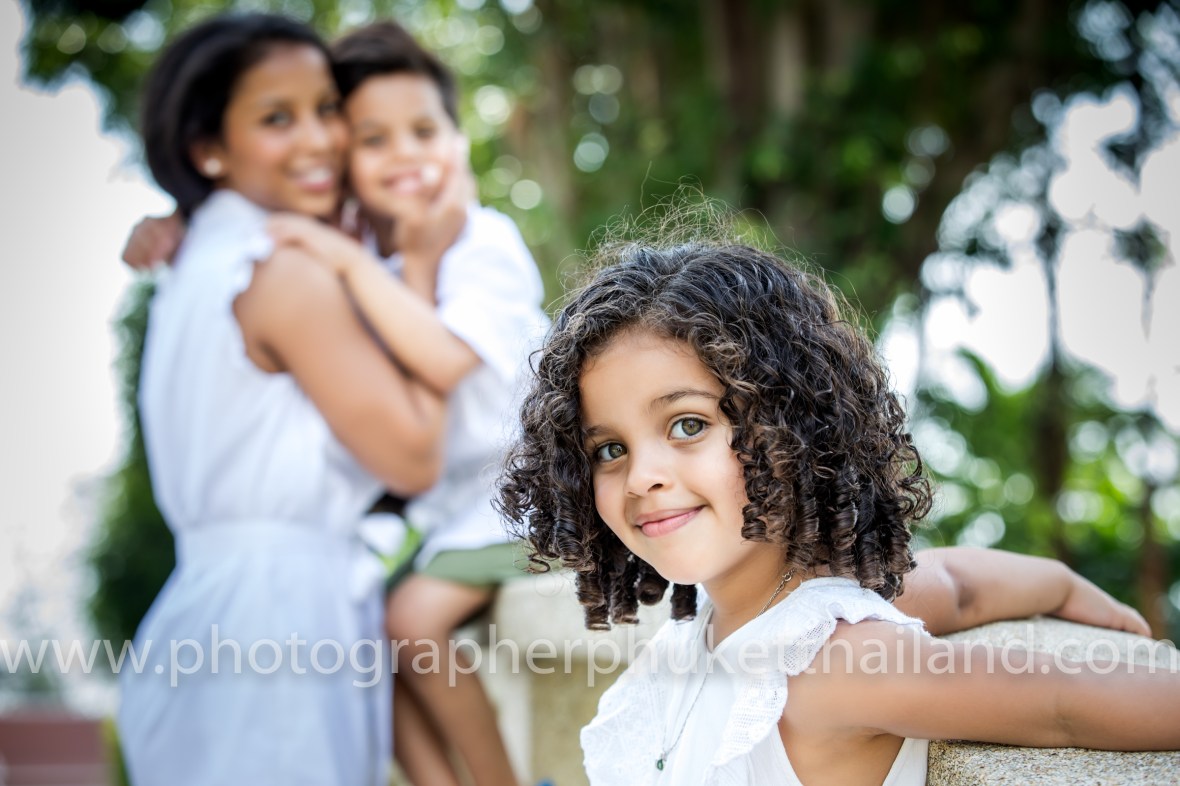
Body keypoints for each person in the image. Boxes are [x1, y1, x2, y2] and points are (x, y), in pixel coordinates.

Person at [496, 227, 1180, 785]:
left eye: (688, 425)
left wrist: (1069, 595)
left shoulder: (839, 666)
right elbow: (959, 588)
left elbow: (1060, 708)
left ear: (793, 423)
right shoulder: (728, 619)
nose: (642, 475)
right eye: (608, 449)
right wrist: (1059, 585)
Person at [118, 13, 467, 786]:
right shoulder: (285, 271)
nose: (320, 141)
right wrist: (418, 268)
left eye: (326, 109)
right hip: (274, 639)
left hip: (213, 619)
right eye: (278, 119)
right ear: (208, 148)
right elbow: (412, 456)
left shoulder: (203, 257)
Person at [266, 23, 550, 786]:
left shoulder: (484, 242)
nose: (406, 155)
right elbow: (395, 394)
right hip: (452, 507)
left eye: (425, 130)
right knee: (362, 638)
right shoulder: (388, 265)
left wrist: (364, 264)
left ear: (459, 143)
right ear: (344, 163)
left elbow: (438, 357)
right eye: (375, 139)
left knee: (410, 621)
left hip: (527, 493)